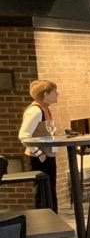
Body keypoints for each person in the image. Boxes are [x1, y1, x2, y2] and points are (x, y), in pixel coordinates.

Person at [18, 78, 59, 210]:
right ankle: (46, 223)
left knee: (49, 190)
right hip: (40, 157)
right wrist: (39, 153)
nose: (57, 94)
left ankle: (53, 221)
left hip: (47, 154)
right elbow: (23, 135)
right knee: (43, 192)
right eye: (54, 92)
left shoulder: (44, 108)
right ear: (45, 94)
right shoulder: (35, 111)